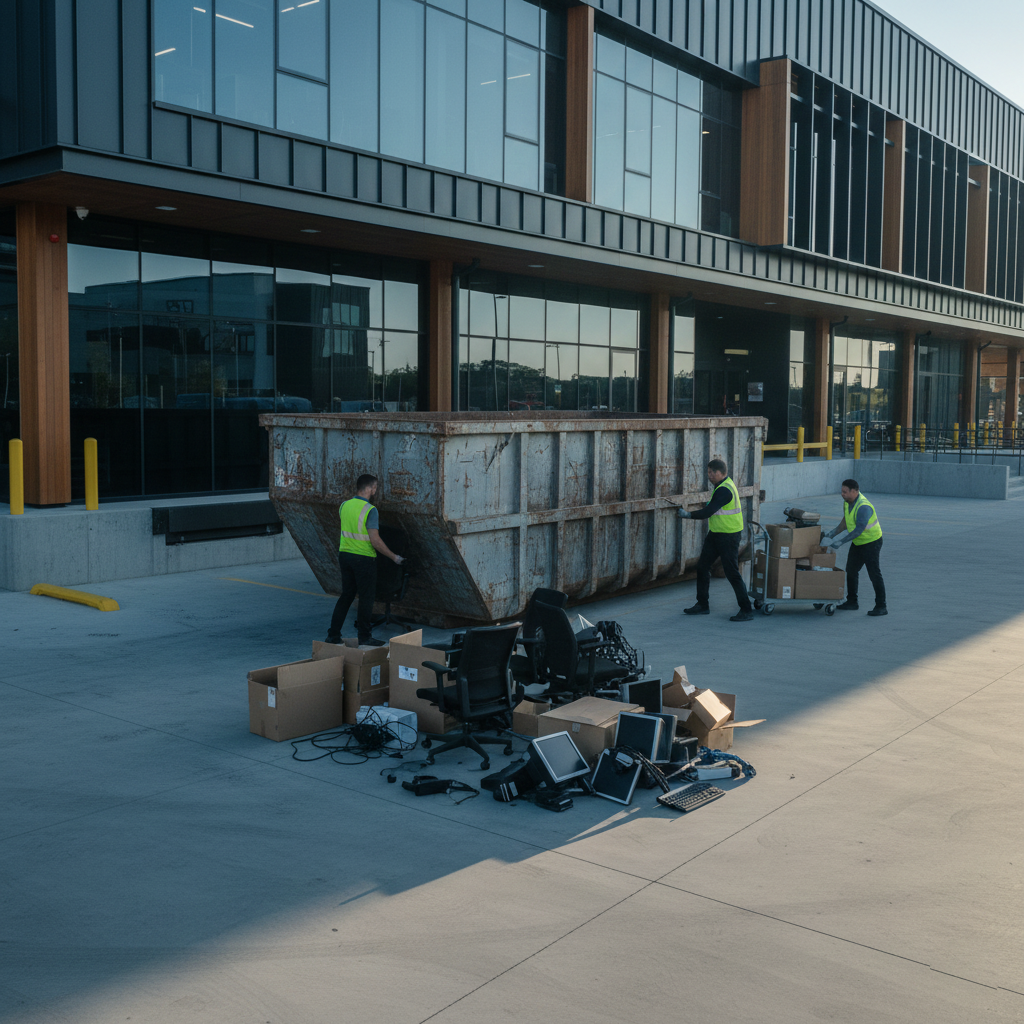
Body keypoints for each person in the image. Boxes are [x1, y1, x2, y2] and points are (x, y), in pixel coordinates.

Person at [325, 473, 404, 646]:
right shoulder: (370, 510)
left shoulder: (344, 506)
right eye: (375, 488)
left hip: (345, 556)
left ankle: (333, 635)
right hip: (364, 558)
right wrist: (394, 557)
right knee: (367, 598)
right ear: (371, 488)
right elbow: (375, 540)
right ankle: (364, 636)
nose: (375, 491)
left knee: (346, 595)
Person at [678, 459, 754, 622]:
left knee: (731, 572)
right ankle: (702, 604)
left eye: (712, 472)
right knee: (702, 566)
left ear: (720, 472)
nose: (709, 475)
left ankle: (746, 609)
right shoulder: (721, 485)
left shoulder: (725, 490)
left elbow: (708, 512)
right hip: (716, 533)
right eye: (708, 472)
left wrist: (687, 514)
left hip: (728, 535)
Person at [823, 478, 887, 616]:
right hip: (859, 542)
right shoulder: (848, 502)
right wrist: (832, 534)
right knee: (851, 570)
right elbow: (846, 521)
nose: (842, 494)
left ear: (855, 491)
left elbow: (858, 529)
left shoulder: (864, 507)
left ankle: (881, 606)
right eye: (842, 491)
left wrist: (840, 542)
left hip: (871, 542)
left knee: (874, 574)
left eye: (845, 492)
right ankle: (852, 602)